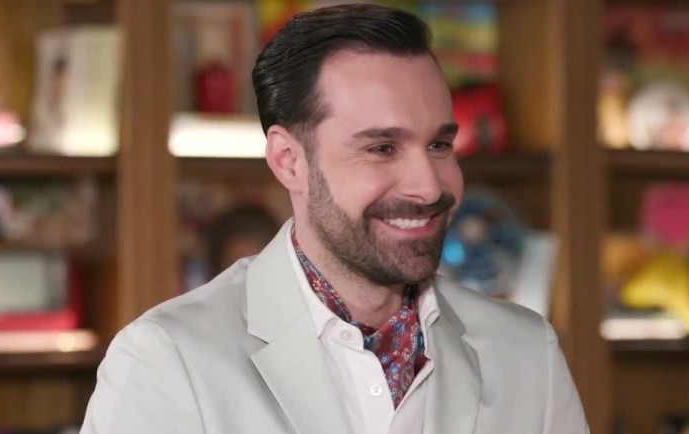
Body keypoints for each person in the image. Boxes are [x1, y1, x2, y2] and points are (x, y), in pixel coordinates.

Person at [80, 4, 588, 433]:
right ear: (289, 161)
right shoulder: (167, 361)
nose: (430, 186)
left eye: (439, 144)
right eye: (382, 148)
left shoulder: (528, 354)